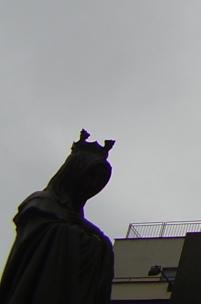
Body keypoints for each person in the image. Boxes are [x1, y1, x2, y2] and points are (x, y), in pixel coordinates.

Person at [0, 130, 115, 304]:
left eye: (99, 180)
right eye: (90, 176)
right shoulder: (41, 203)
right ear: (74, 172)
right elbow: (39, 247)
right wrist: (89, 239)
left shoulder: (78, 219)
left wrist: (100, 244)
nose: (92, 184)